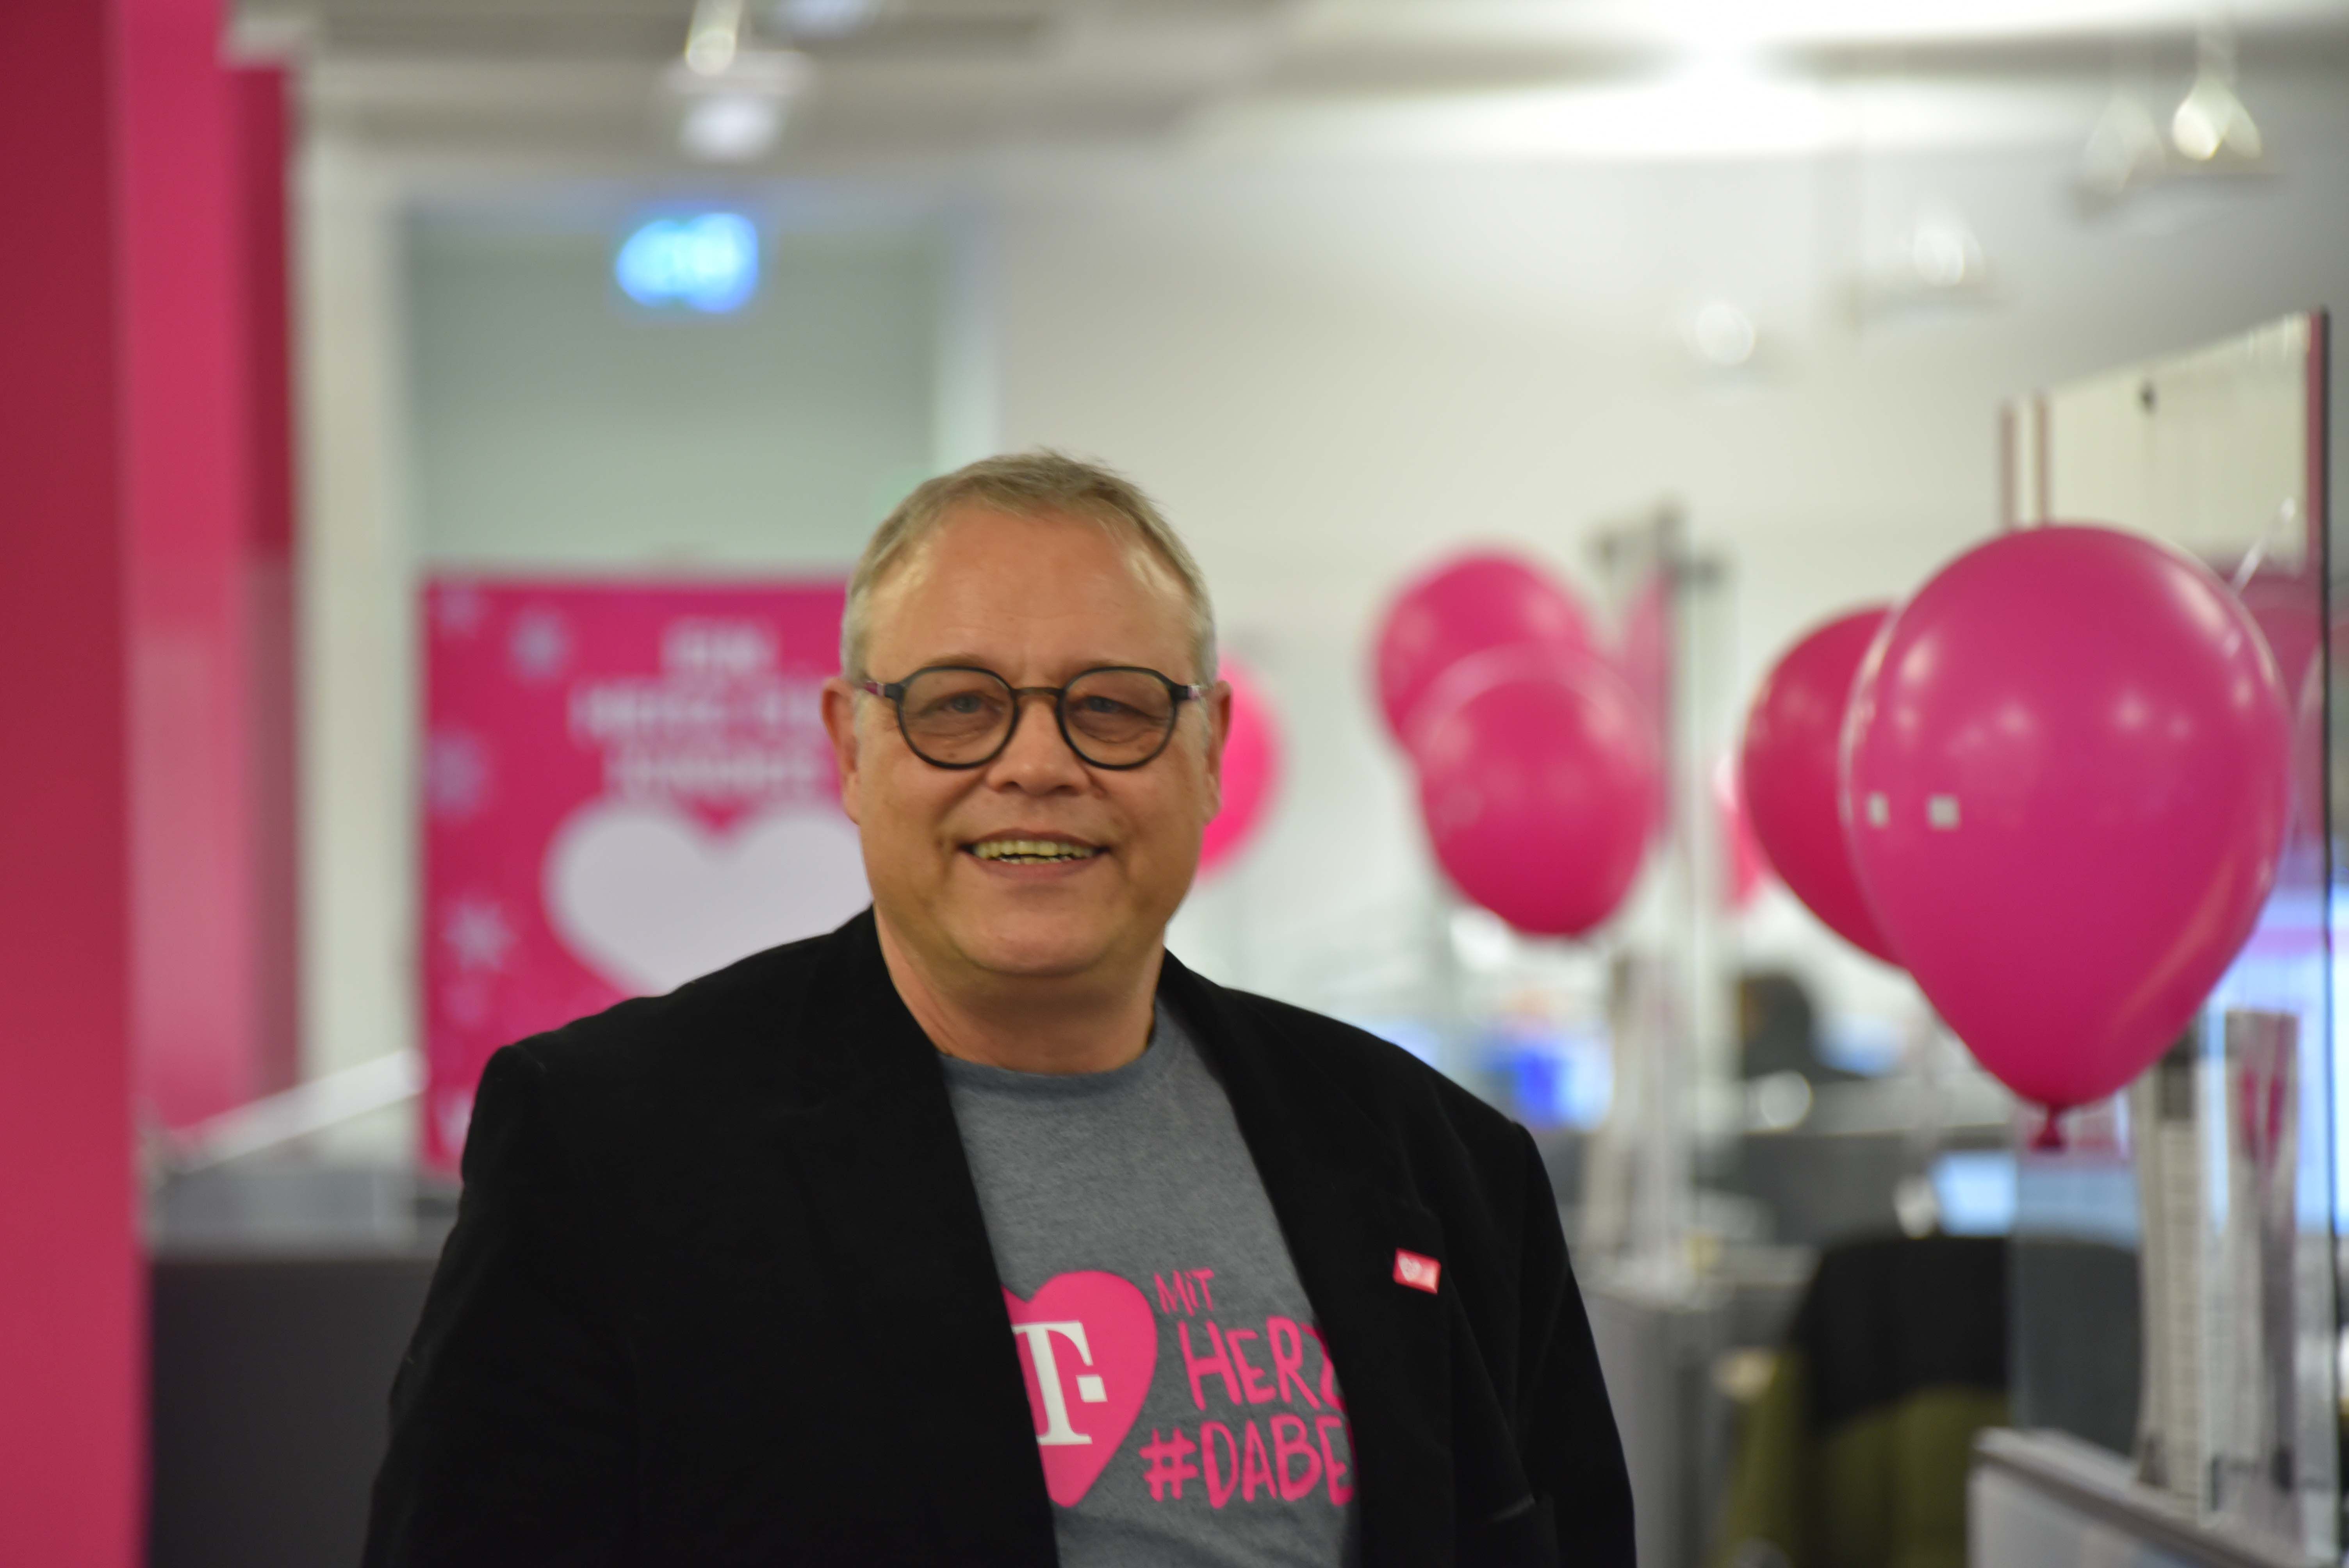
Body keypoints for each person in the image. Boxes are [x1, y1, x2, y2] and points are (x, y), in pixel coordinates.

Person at [364, 452, 1633, 1567]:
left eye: (1114, 708)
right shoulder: (609, 1151)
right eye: (960, 705)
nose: (1037, 764)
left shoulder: (1443, 1165)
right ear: (853, 750)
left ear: (1207, 754)